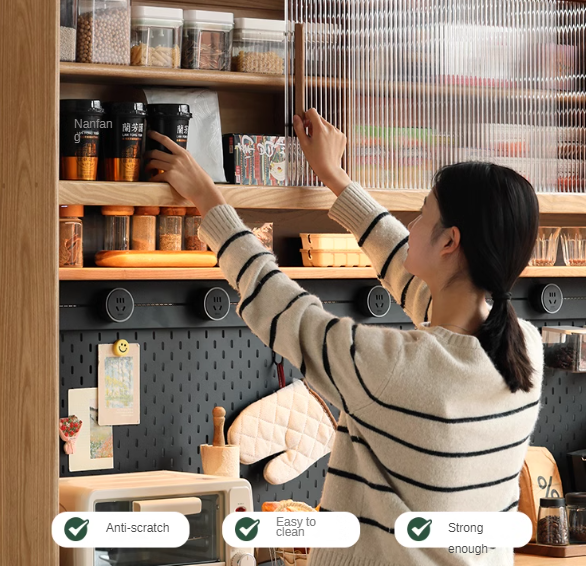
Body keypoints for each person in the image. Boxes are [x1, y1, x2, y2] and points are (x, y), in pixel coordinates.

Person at [145, 108, 544, 566]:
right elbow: (413, 276)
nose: (410, 225)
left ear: (450, 242)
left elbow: (284, 308)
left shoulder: (395, 369)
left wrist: (205, 196)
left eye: (420, 215)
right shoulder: (522, 349)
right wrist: (336, 179)